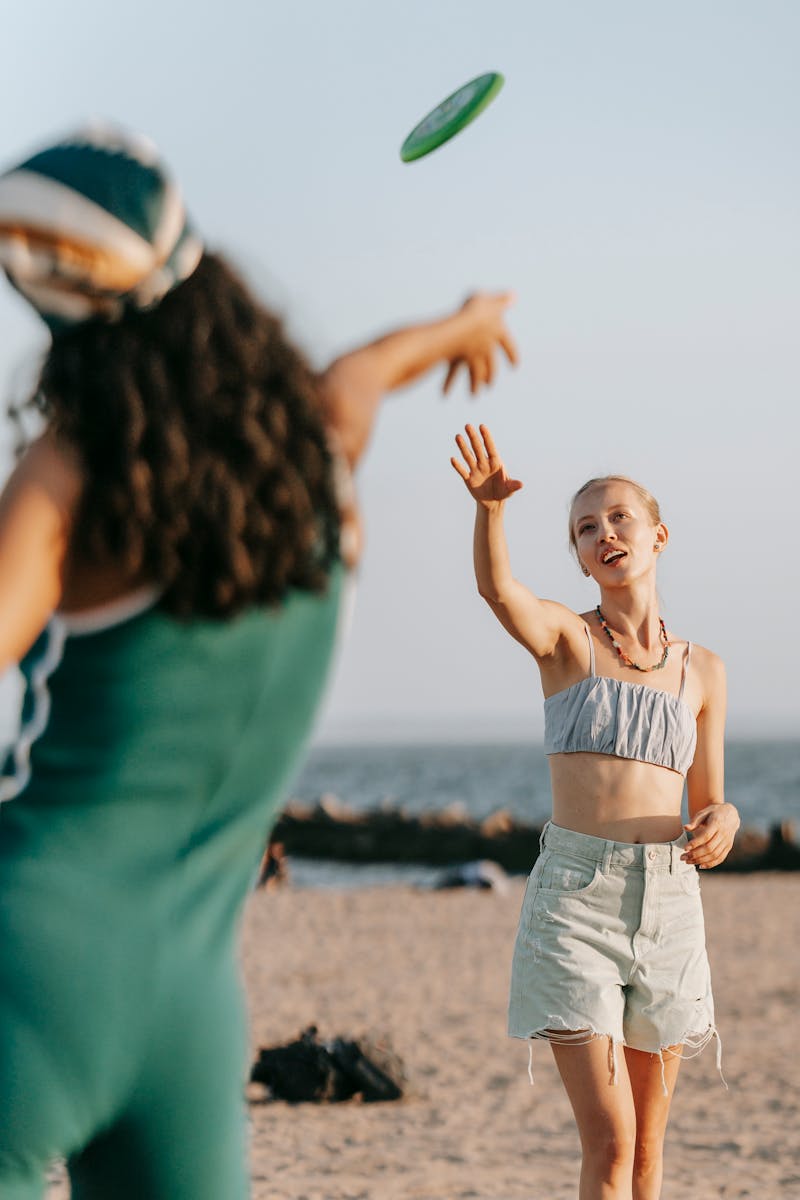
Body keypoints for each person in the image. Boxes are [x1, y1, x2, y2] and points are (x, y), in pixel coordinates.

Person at [0, 125, 517, 1200]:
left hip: (28, 959)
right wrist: (465, 323)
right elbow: (369, 366)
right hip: (187, 1011)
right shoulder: (323, 461)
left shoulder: (71, 472)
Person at [451, 422, 740, 1200]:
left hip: (671, 905)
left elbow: (710, 804)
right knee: (610, 1146)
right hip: (578, 904)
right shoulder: (567, 641)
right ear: (580, 558)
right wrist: (491, 512)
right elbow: (498, 592)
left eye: (617, 518)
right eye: (585, 528)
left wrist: (727, 822)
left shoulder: (704, 671)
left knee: (648, 1157)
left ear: (657, 536)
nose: (603, 534)